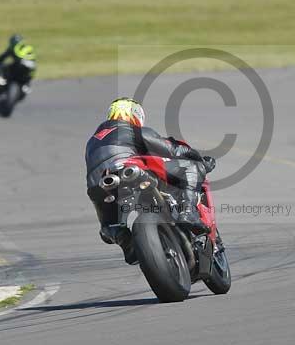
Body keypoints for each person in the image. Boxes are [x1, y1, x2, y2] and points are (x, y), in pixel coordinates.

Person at [85, 97, 216, 264]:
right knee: (190, 167)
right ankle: (187, 212)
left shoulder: (92, 141)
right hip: (130, 169)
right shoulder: (132, 130)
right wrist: (199, 159)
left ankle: (127, 243)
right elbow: (173, 149)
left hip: (99, 185)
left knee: (109, 227)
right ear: (135, 115)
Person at [0, 34, 36, 102]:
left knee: (4, 67)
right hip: (29, 71)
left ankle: (1, 81)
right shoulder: (29, 48)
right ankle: (26, 86)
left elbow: (1, 57)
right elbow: (33, 63)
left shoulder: (14, 47)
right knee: (27, 76)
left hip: (19, 68)